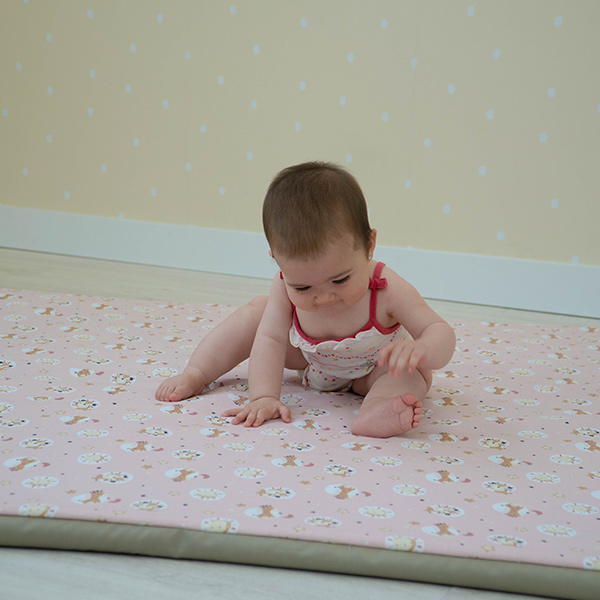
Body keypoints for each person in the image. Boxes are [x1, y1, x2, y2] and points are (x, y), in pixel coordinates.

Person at [156, 161, 456, 438]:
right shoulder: (283, 283)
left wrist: (423, 349)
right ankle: (197, 372)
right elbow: (271, 340)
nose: (324, 298)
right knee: (256, 314)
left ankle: (375, 412)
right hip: (311, 360)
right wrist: (264, 397)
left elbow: (439, 330)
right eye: (303, 288)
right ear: (277, 260)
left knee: (408, 375)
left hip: (374, 369)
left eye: (340, 280)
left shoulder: (386, 287)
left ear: (369, 244)